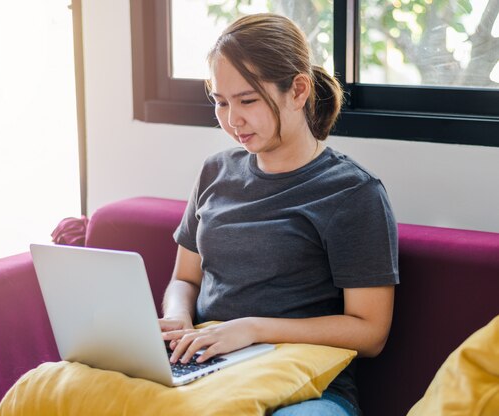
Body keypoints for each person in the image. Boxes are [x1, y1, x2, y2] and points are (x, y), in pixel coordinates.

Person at [159, 13, 399, 416]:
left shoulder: (353, 192)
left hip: (309, 388)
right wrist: (178, 317)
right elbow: (184, 278)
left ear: (298, 90)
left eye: (248, 100)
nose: (232, 120)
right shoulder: (215, 171)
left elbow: (371, 332)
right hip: (207, 367)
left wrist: (253, 328)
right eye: (220, 102)